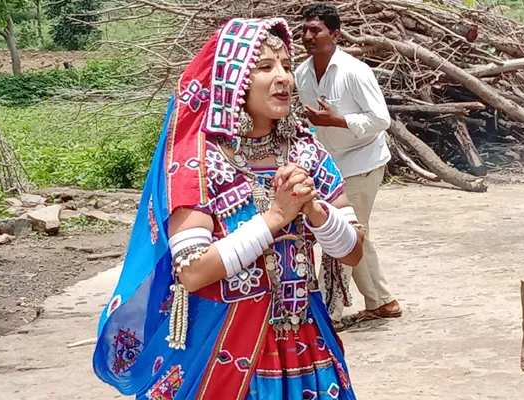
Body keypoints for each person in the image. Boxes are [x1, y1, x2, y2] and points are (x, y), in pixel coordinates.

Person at [92, 17, 365, 400]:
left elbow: (353, 251)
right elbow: (193, 271)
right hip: (226, 341)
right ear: (232, 79)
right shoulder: (199, 162)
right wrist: (277, 216)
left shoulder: (308, 151)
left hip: (305, 336)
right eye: (266, 67)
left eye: (287, 65)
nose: (284, 77)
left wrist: (315, 211)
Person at [295, 3, 402, 331]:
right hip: (331, 166)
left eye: (317, 30)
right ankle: (383, 302)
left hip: (362, 162)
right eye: (306, 30)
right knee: (357, 234)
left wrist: (337, 120)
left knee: (340, 232)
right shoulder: (302, 74)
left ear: (335, 34)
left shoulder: (354, 71)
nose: (309, 36)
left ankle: (332, 314)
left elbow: (381, 119)